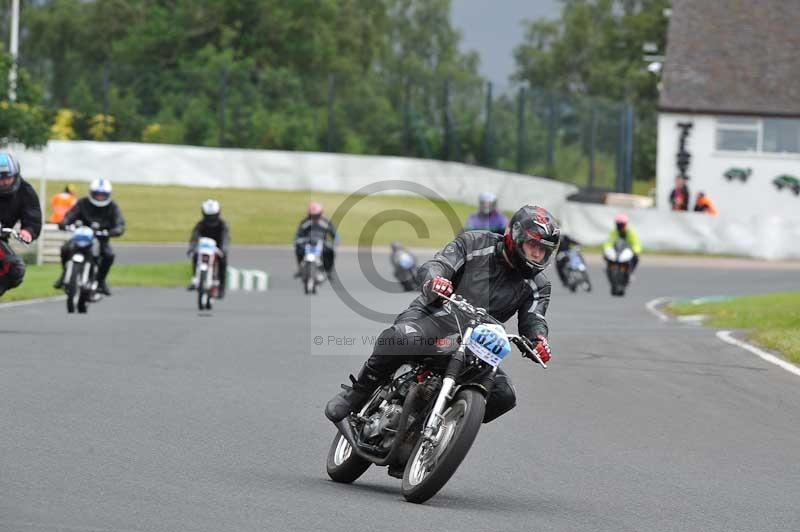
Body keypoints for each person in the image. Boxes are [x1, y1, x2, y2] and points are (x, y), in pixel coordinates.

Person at [325, 205, 560, 427]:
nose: (537, 254)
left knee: (504, 395)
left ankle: (443, 430)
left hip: (477, 343)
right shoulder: (474, 242)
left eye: (543, 250)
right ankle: (358, 392)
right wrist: (437, 281)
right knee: (400, 338)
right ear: (515, 237)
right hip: (436, 316)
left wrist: (539, 339)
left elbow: (534, 318)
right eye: (533, 246)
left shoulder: (539, 285)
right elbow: (438, 264)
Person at [54, 178, 125, 295]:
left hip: (101, 238)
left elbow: (119, 223)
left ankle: (101, 281)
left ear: (108, 194)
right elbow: (70, 215)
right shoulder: (83, 203)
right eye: (97, 194)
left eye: (103, 195)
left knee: (109, 255)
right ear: (92, 193)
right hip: (81, 236)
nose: (99, 197)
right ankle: (65, 274)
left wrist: (116, 230)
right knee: (65, 249)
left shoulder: (112, 206)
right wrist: (64, 223)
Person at [0, 153, 41, 298]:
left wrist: (28, 231)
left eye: (7, 177)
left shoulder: (26, 191)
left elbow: (33, 216)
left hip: (0, 239)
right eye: (0, 178)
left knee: (15, 269)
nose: (4, 182)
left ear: (16, 175)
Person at [187, 199, 230, 298]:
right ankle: (194, 279)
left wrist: (223, 249)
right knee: (195, 256)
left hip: (218, 247)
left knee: (223, 262)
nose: (211, 219)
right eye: (208, 216)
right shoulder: (200, 224)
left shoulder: (223, 225)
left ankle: (221, 287)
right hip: (203, 246)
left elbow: (225, 238)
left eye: (213, 216)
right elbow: (194, 237)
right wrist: (192, 248)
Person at [294, 202, 338, 278]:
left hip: (321, 244)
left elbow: (334, 234)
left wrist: (335, 242)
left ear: (321, 214)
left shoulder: (326, 222)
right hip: (307, 243)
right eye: (312, 216)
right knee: (298, 249)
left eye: (316, 216)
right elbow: (298, 235)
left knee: (331, 251)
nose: (314, 218)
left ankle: (328, 271)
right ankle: (300, 268)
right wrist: (298, 241)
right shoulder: (305, 223)